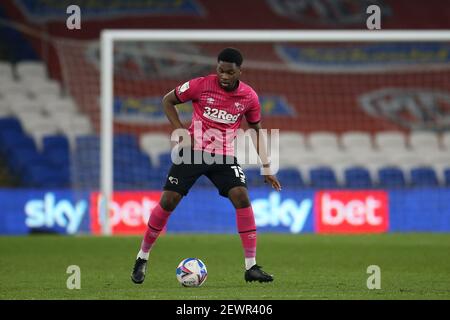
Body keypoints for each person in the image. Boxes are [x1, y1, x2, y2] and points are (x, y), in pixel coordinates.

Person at [131, 47, 281, 284]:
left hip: (223, 156)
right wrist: (180, 130)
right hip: (192, 152)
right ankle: (142, 257)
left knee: (241, 196)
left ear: (239, 71)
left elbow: (256, 130)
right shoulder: (200, 85)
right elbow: (167, 101)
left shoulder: (249, 97)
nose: (224, 75)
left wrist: (266, 166)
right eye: (220, 70)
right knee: (169, 201)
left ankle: (251, 267)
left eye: (229, 72)